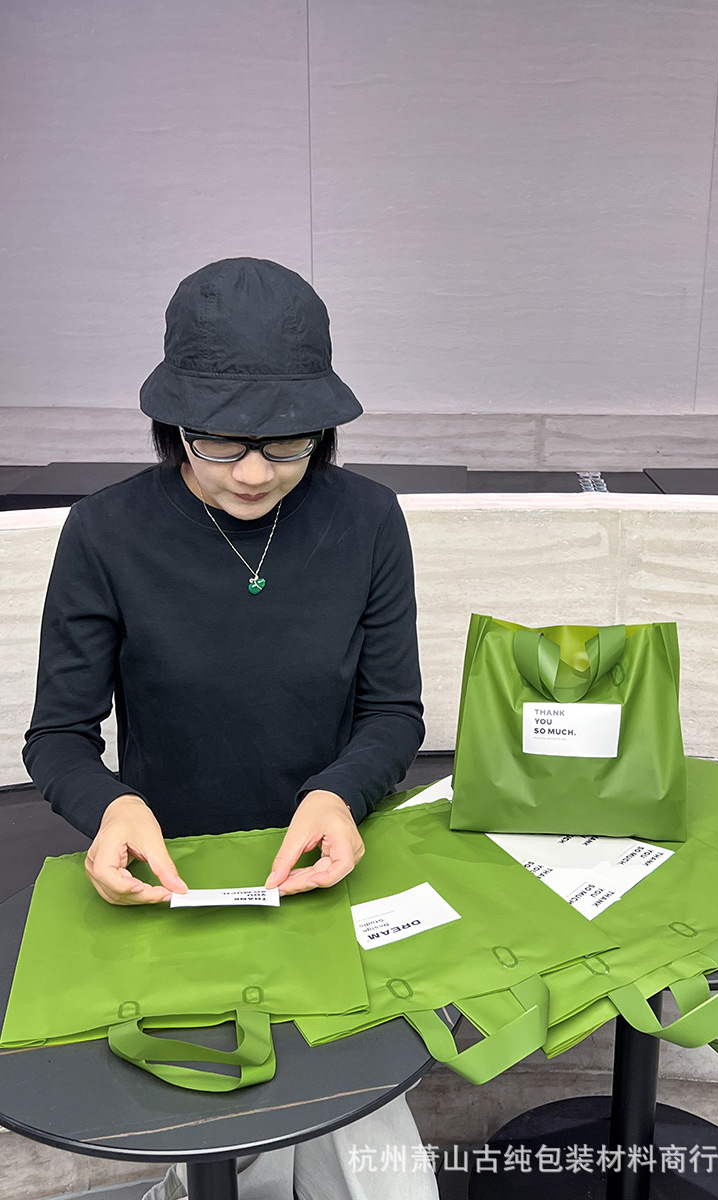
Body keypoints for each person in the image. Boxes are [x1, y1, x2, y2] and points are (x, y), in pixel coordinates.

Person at [23, 257, 438, 1200]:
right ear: (173, 423)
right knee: (220, 1129)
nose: (254, 472)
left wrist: (339, 794)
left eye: (287, 442)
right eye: (218, 442)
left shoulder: (368, 520)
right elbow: (57, 737)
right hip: (178, 878)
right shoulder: (104, 531)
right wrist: (111, 809)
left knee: (366, 1145)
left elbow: (392, 712)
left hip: (330, 863)